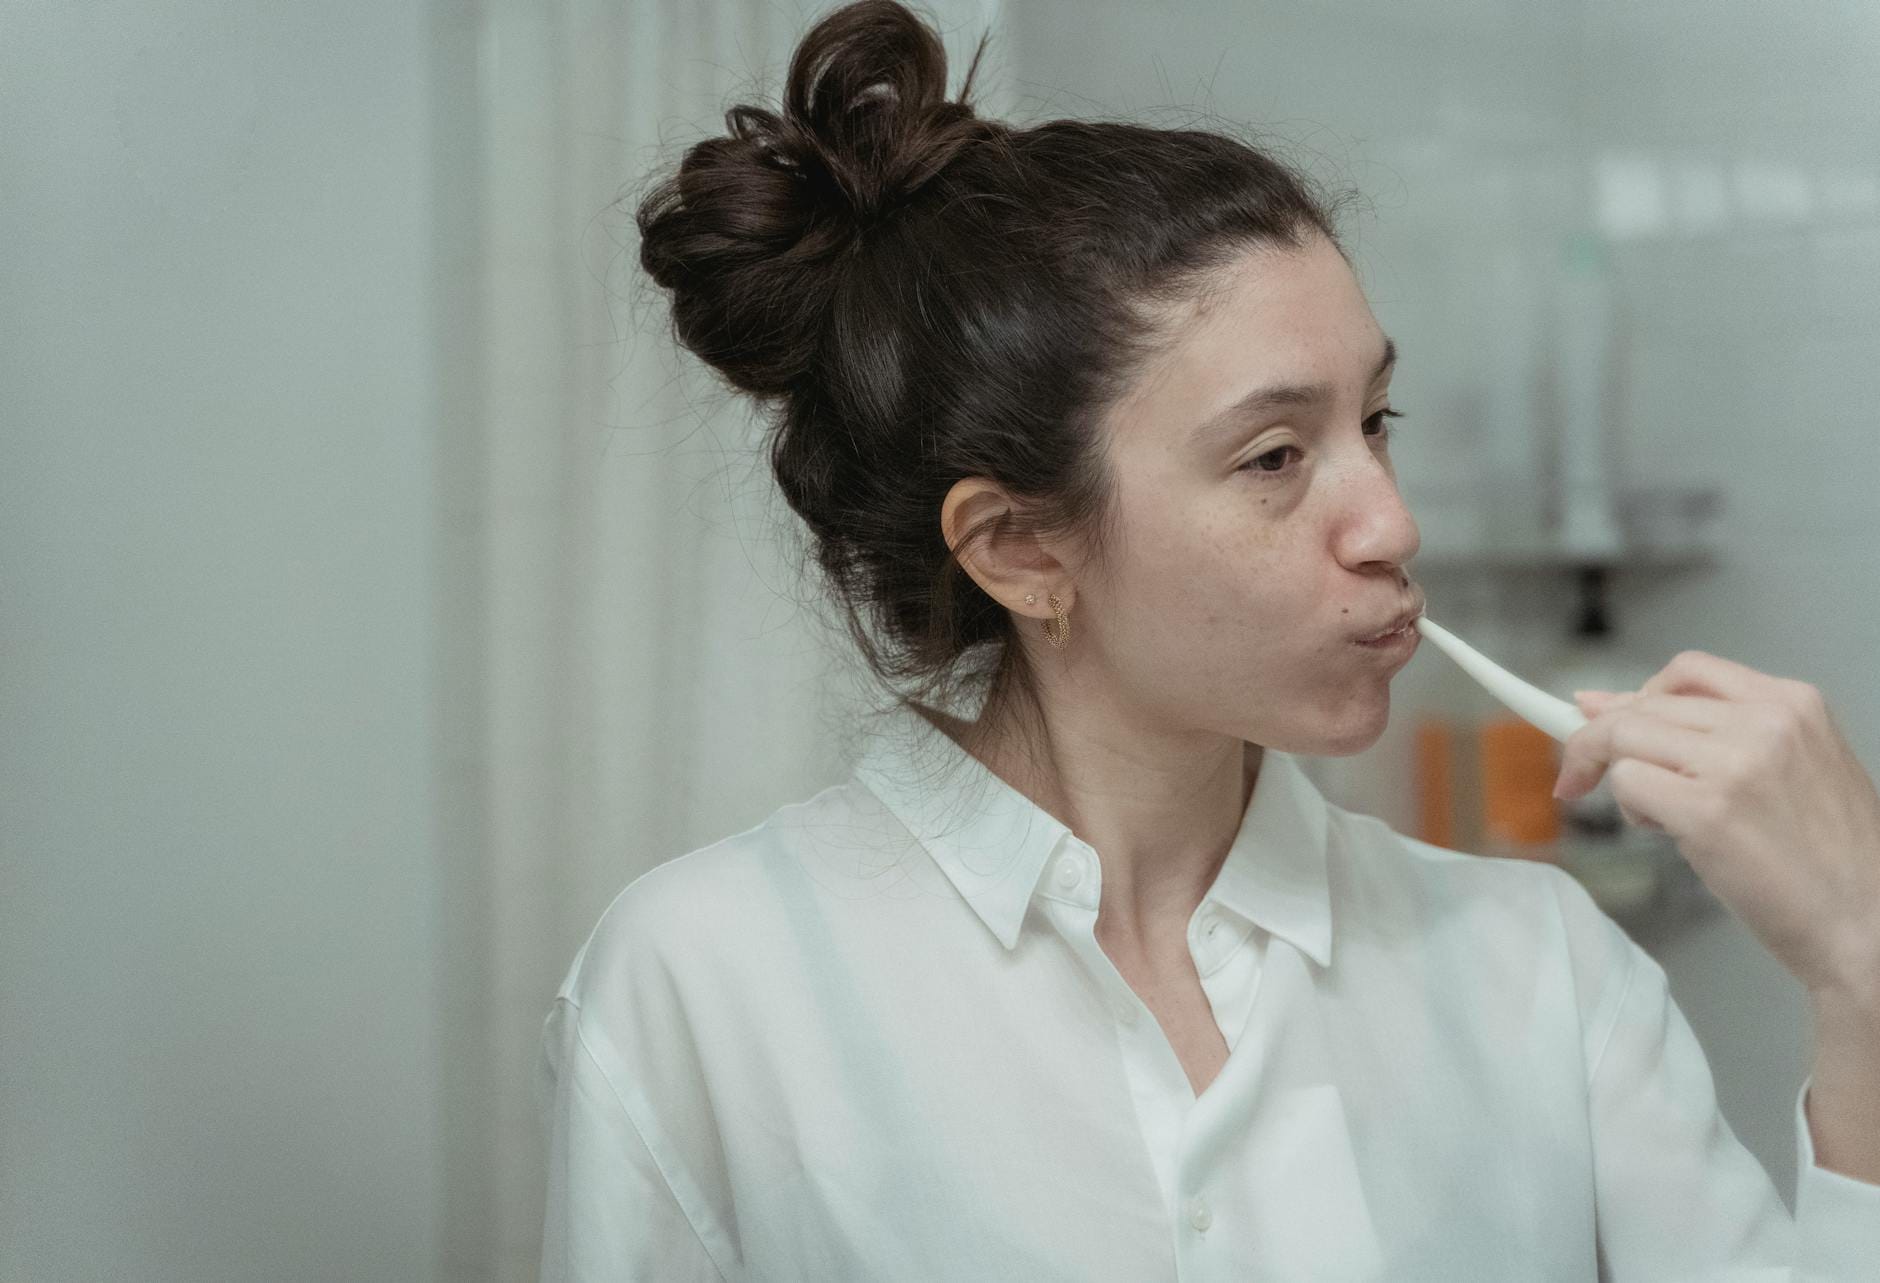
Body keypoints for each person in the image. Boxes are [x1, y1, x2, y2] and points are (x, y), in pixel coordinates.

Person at [537, 1, 1880, 1277]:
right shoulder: (705, 987)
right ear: (1019, 548)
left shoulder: (1544, 968)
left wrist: (1863, 963)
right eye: (1275, 455)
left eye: (1377, 424)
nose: (1392, 523)